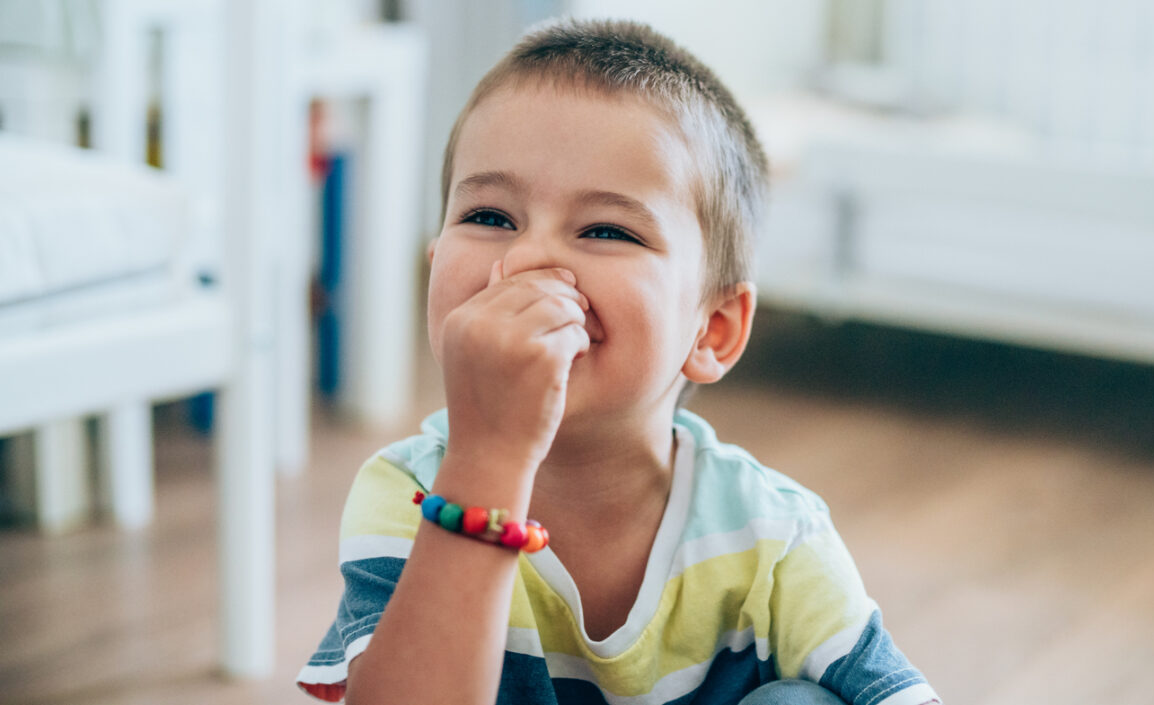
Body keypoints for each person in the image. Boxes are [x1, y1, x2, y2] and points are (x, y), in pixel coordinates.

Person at [297, 18, 939, 705]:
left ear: (712, 330)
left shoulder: (772, 534)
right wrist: (486, 457)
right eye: (489, 216)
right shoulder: (409, 491)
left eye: (606, 229)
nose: (527, 260)